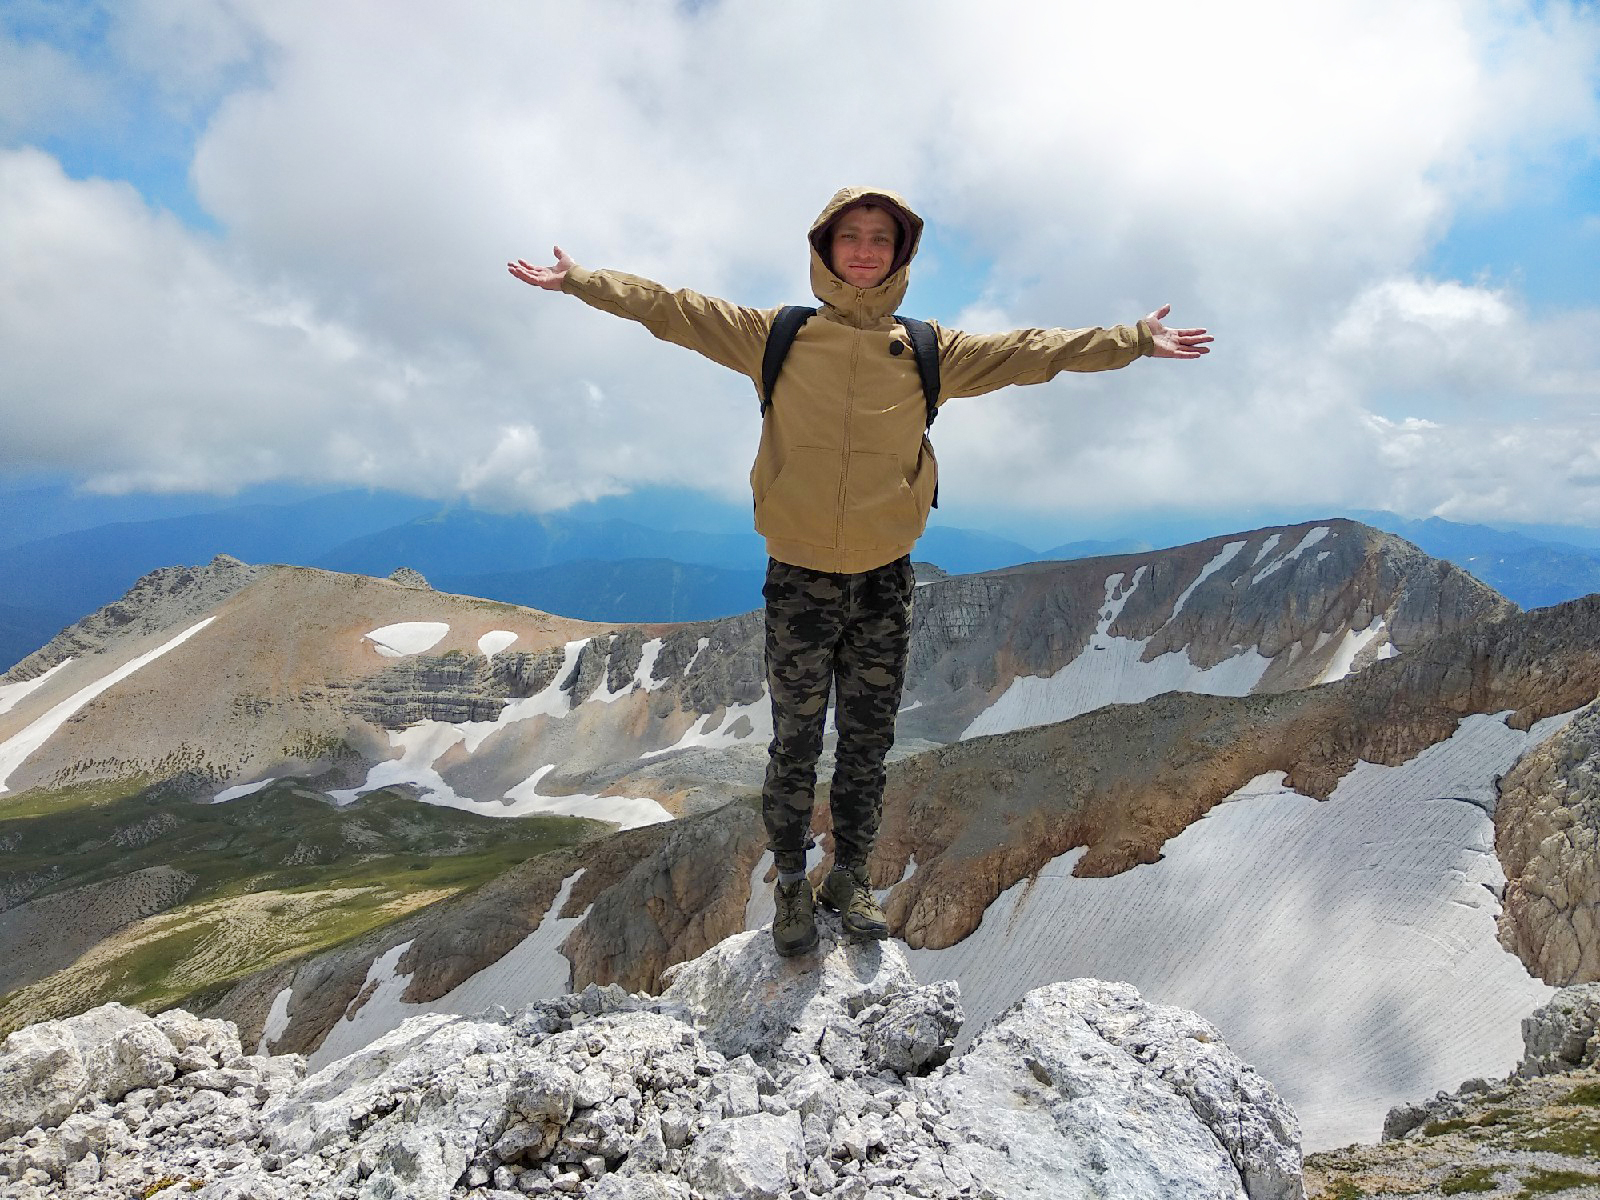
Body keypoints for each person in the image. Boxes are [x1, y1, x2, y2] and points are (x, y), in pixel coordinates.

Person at [509, 186, 1211, 958]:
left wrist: (1132, 340)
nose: (866, 249)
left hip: (884, 576)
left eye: (882, 237)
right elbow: (674, 309)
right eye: (851, 236)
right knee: (796, 743)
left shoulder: (928, 349)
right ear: (825, 248)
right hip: (800, 575)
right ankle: (788, 885)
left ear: (901, 253)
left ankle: (849, 879)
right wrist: (582, 281)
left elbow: (1033, 351)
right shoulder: (775, 335)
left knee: (869, 742)